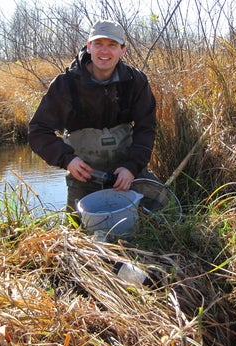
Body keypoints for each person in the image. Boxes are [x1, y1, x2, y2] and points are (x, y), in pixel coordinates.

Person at [28, 19, 157, 213]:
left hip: (127, 172)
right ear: (89, 47)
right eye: (98, 44)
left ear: (123, 50)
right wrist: (68, 160)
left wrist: (131, 167)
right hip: (84, 178)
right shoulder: (66, 84)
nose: (104, 52)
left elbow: (145, 128)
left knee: (163, 212)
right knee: (80, 229)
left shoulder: (135, 81)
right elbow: (38, 132)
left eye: (112, 45)